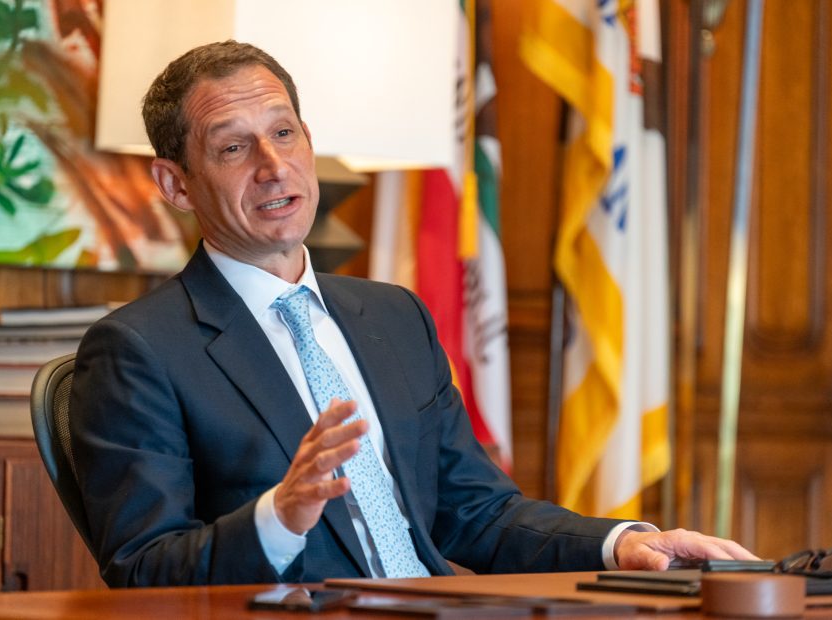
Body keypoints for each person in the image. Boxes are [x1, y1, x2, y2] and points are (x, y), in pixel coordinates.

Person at [70, 40, 757, 587]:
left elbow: (478, 514)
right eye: (232, 147)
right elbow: (143, 570)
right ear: (175, 183)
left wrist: (624, 544)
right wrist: (279, 517)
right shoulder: (139, 350)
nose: (274, 165)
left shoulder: (393, 317)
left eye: (285, 132)